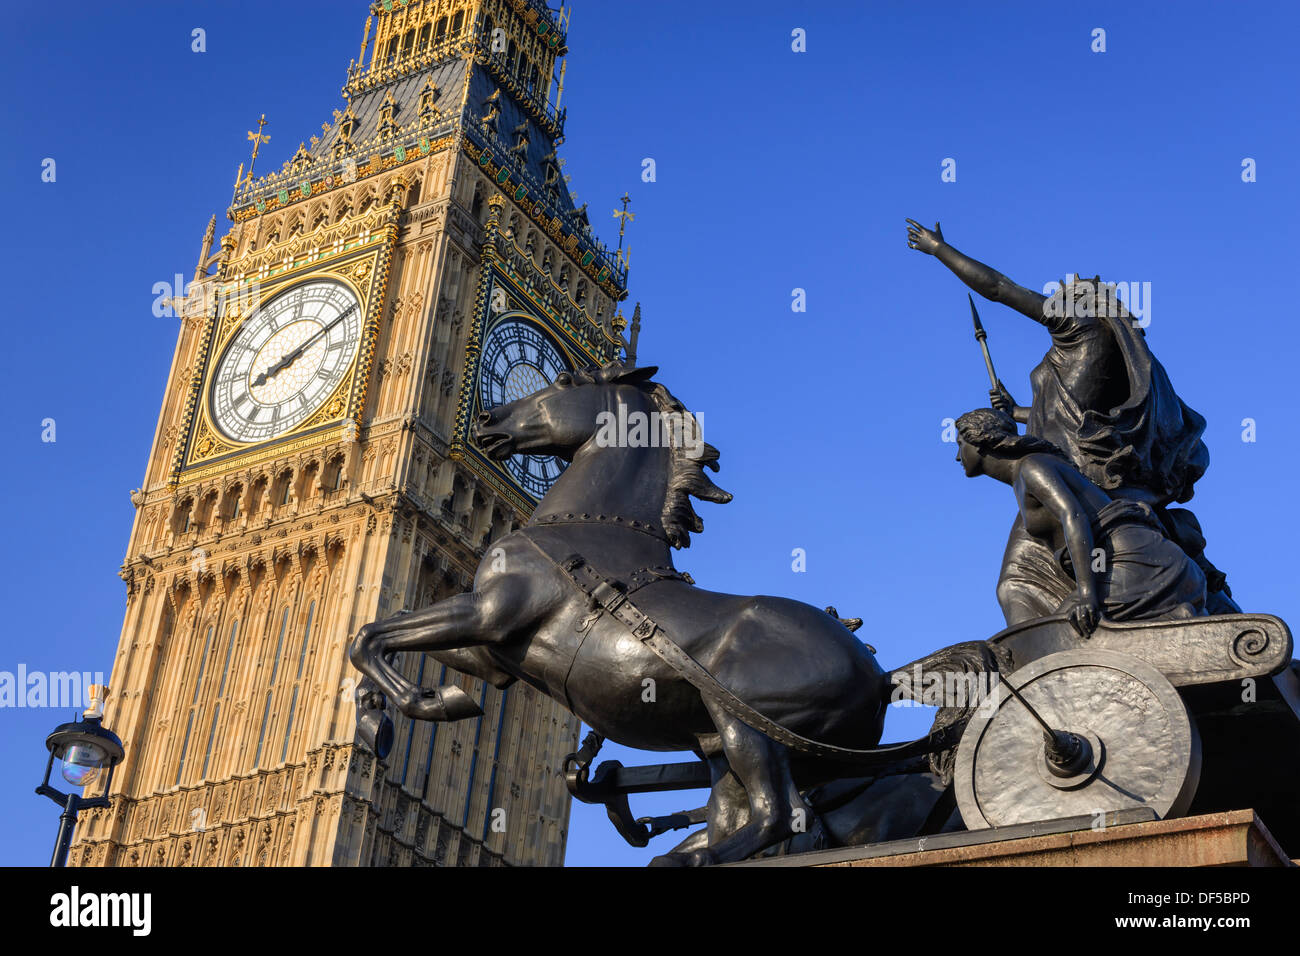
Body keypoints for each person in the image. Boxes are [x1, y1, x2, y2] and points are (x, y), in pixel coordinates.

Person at [906, 219, 1237, 620]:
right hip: (1083, 477)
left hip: (1071, 480)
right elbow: (1081, 418)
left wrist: (938, 249)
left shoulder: (1080, 327)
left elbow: (999, 289)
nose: (1054, 298)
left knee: (1017, 583)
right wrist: (1017, 413)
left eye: (1064, 295)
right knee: (1017, 582)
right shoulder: (1106, 352)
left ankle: (1038, 659)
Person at [955, 408, 1207, 636]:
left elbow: (1073, 516)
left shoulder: (1032, 467)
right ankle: (1172, 617)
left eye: (960, 444)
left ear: (979, 441)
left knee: (1059, 634)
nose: (958, 456)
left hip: (1138, 562)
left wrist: (1087, 594)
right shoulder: (1026, 472)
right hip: (1122, 561)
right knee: (1054, 634)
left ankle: (1174, 619)